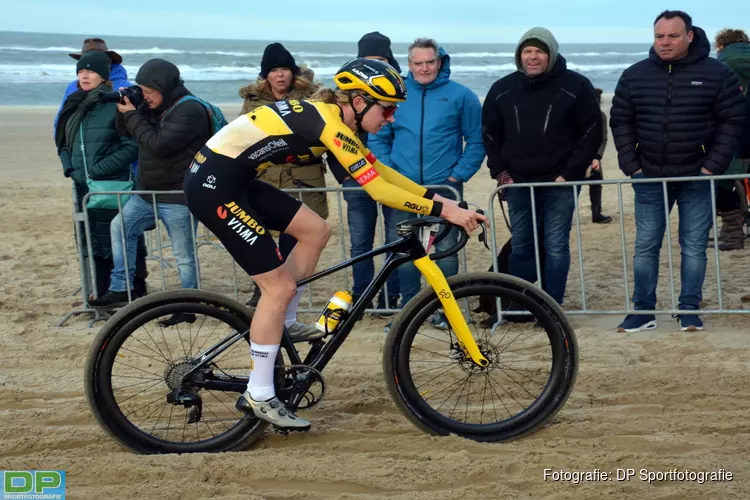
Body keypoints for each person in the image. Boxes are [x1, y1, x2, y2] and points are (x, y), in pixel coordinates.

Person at [184, 58, 487, 430]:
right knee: (275, 288)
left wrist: (441, 201)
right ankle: (259, 393)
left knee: (315, 231)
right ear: (359, 102)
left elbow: (380, 171)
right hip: (214, 186)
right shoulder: (328, 123)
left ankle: (284, 321)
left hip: (235, 180)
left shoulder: (333, 121)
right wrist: (443, 210)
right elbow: (377, 189)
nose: (391, 119)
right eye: (388, 109)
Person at [611, 11, 746, 333]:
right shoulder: (634, 75)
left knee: (694, 245)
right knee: (646, 245)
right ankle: (643, 311)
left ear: (689, 36)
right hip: (649, 177)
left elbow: (733, 121)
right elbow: (621, 121)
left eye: (672, 36)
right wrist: (633, 166)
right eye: (659, 36)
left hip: (696, 177)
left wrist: (710, 166)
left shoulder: (717, 73)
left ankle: (688, 308)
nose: (665, 42)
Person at [369, 38, 485, 329]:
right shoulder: (395, 95)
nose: (424, 68)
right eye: (418, 63)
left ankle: (446, 312)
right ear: (408, 64)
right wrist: (392, 173)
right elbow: (378, 138)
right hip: (402, 190)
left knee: (445, 253)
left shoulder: (462, 96)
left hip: (444, 189)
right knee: (405, 254)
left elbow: (477, 140)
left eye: (429, 62)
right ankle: (409, 314)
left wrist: (456, 176)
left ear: (439, 62)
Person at [482, 27, 602, 306]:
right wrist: (501, 173)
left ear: (551, 54)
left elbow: (591, 131)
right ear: (519, 55)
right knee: (522, 246)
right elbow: (489, 133)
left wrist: (569, 173)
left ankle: (552, 306)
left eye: (539, 51)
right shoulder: (502, 89)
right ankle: (523, 305)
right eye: (527, 51)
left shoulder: (576, 85)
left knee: (556, 246)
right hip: (519, 182)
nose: (532, 57)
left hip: (559, 182)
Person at [90, 59, 213, 325]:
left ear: (164, 87)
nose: (144, 95)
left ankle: (187, 307)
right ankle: (122, 288)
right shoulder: (157, 106)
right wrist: (125, 110)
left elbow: (158, 144)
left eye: (148, 90)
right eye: (141, 89)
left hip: (178, 196)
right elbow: (127, 132)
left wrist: (135, 114)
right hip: (147, 193)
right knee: (120, 228)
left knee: (183, 256)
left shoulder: (189, 110)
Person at [238, 43, 326, 339]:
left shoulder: (311, 97)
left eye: (284, 69)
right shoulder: (252, 101)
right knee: (260, 242)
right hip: (264, 179)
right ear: (266, 75)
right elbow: (241, 136)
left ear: (293, 72)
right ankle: (265, 295)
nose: (280, 75)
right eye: (274, 70)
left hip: (303, 182)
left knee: (297, 244)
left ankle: (285, 311)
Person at [55, 51, 138, 298]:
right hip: (83, 185)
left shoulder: (116, 105)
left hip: (111, 186)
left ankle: (129, 292)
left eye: (90, 71)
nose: (84, 75)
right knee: (92, 242)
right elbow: (63, 141)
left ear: (103, 76)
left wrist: (96, 171)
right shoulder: (74, 103)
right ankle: (102, 293)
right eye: (80, 71)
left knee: (118, 241)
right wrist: (69, 168)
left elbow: (132, 146)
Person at [342, 31, 403, 314]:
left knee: (395, 241)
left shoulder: (399, 92)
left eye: (380, 59)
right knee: (361, 243)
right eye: (368, 60)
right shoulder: (349, 96)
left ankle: (390, 298)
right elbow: (335, 140)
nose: (375, 65)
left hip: (391, 175)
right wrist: (345, 175)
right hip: (356, 179)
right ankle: (363, 296)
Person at [713, 28, 750, 250]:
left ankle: (733, 234)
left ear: (722, 46)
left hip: (733, 136)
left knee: (724, 184)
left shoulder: (721, 67)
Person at [587, 88, 613, 224]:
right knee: (571, 187)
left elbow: (603, 139)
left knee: (596, 184)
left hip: (593, 156)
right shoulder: (574, 113)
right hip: (575, 156)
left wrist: (597, 157)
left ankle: (596, 213)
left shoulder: (600, 115)